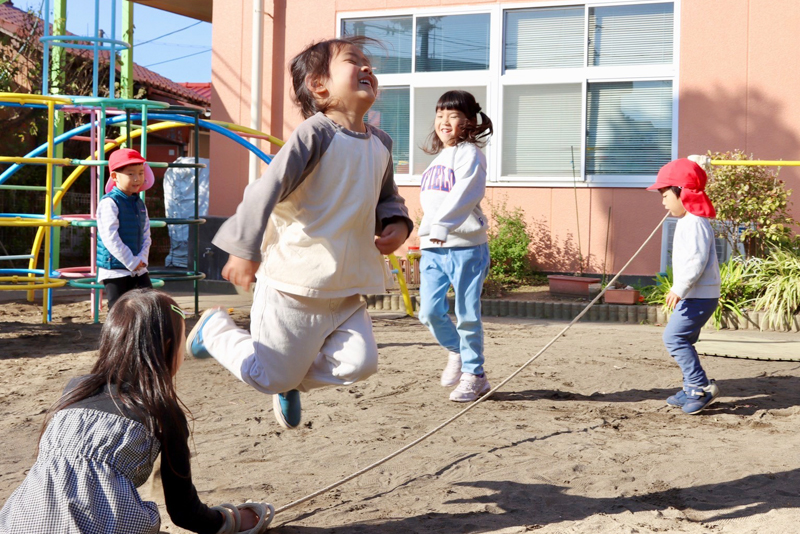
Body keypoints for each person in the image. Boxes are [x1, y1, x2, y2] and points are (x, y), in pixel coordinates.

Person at [186, 36, 412, 430]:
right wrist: (244, 248)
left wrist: (396, 222)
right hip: (295, 285)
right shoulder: (315, 134)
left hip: (346, 287)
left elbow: (387, 196)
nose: (366, 68)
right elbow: (265, 189)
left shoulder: (382, 144)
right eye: (352, 61)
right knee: (268, 376)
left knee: (361, 364)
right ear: (319, 86)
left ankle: (289, 378)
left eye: (368, 64)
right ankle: (217, 330)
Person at [0, 290, 266, 533]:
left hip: (19, 520)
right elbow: (184, 512)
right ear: (167, 347)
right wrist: (229, 520)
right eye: (183, 338)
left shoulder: (75, 389)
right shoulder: (162, 412)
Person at [416, 90, 494, 402]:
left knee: (466, 313)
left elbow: (465, 193)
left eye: (452, 115)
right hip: (433, 247)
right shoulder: (438, 159)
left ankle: (475, 374)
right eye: (439, 115)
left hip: (466, 247)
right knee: (430, 312)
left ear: (468, 122)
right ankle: (458, 353)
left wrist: (443, 225)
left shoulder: (470, 154)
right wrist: (429, 232)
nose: (444, 121)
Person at [647, 158, 722, 415]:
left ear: (683, 192)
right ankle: (690, 386)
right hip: (696, 295)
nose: (663, 201)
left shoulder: (695, 223)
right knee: (684, 339)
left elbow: (696, 260)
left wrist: (680, 288)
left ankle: (699, 387)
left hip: (699, 296)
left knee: (674, 337)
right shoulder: (687, 221)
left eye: (666, 194)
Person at [96, 148, 153, 310]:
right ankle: (116, 337)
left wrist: (143, 257)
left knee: (148, 306)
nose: (137, 179)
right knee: (119, 311)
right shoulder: (109, 203)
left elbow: (146, 234)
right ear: (114, 176)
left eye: (141, 173)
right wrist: (131, 261)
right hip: (115, 269)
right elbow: (110, 238)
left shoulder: (139, 203)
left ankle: (143, 336)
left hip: (138, 268)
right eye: (131, 174)